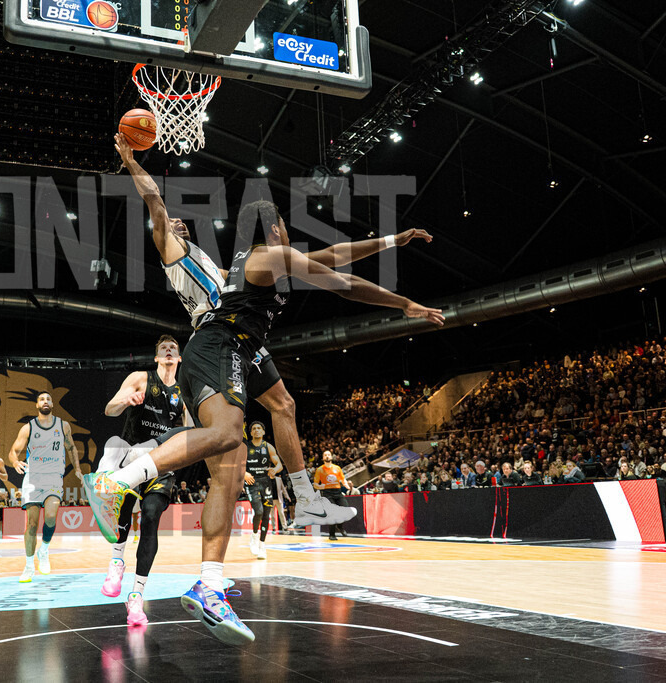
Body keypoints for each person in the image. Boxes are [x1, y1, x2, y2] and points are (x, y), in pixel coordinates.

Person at [89, 164, 443, 644]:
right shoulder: (204, 254)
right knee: (228, 433)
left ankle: (213, 580)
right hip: (219, 343)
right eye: (284, 227)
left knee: (244, 456)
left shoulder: (231, 264)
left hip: (239, 347)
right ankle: (119, 480)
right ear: (275, 229)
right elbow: (339, 280)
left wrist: (390, 241)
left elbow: (332, 255)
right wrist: (403, 304)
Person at [96, 335, 188, 627]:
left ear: (179, 358)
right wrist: (125, 400)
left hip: (162, 464)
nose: (169, 351)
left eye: (173, 348)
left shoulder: (184, 391)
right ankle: (116, 562)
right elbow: (110, 409)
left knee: (150, 516)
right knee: (123, 510)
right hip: (131, 457)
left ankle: (136, 595)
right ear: (157, 357)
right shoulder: (140, 378)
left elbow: (189, 433)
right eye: (163, 349)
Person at [8, 391, 83, 582]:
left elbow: (71, 447)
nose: (45, 401)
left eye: (48, 399)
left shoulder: (63, 425)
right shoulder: (28, 428)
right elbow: (13, 451)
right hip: (33, 479)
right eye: (42, 399)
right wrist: (15, 461)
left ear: (52, 404)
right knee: (32, 524)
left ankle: (44, 549)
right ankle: (28, 566)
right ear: (37, 405)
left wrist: (77, 469)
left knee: (50, 517)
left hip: (54, 478)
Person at [244, 421, 283, 559]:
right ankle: (254, 535)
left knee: (267, 513)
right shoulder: (245, 447)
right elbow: (236, 464)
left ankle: (262, 545)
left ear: (263, 432)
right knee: (259, 511)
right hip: (251, 482)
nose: (256, 430)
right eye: (254, 428)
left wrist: (275, 470)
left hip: (265, 482)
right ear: (251, 432)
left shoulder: (268, 447)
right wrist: (244, 473)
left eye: (259, 428)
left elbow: (279, 464)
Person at [313, 451, 351, 541]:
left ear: (331, 457)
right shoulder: (319, 470)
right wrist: (321, 487)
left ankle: (340, 526)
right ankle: (332, 534)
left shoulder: (337, 468)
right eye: (325, 455)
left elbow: (343, 479)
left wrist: (346, 485)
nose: (327, 456)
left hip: (337, 492)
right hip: (327, 493)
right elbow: (315, 485)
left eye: (328, 455)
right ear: (323, 458)